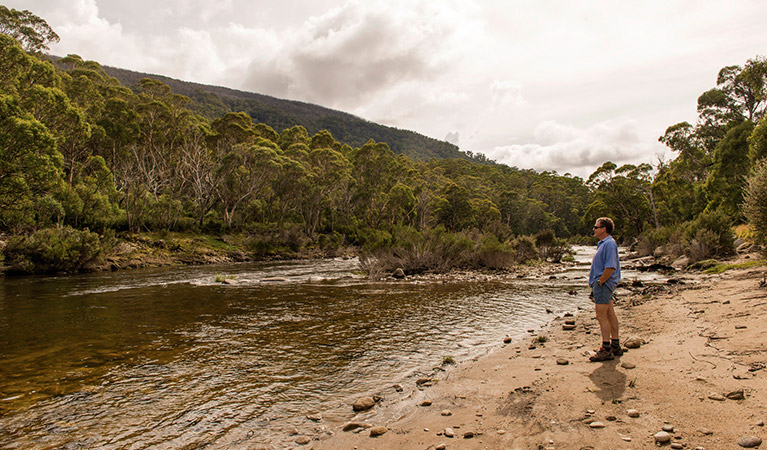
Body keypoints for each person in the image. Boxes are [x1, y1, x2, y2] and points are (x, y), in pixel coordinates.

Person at [588, 217, 622, 362]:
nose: (594, 229)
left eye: (596, 227)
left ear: (603, 229)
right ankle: (615, 345)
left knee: (601, 316)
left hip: (604, 285)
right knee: (609, 314)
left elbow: (610, 266)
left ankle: (606, 349)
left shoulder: (608, 244)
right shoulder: (604, 243)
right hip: (604, 284)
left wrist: (600, 282)